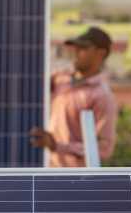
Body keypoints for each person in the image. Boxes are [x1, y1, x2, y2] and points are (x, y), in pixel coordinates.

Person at [30, 26, 118, 167]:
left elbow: (104, 149)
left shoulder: (102, 96)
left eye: (83, 48)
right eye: (76, 47)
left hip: (76, 179)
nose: (76, 52)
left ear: (100, 53)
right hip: (48, 170)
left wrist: (56, 145)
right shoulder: (59, 78)